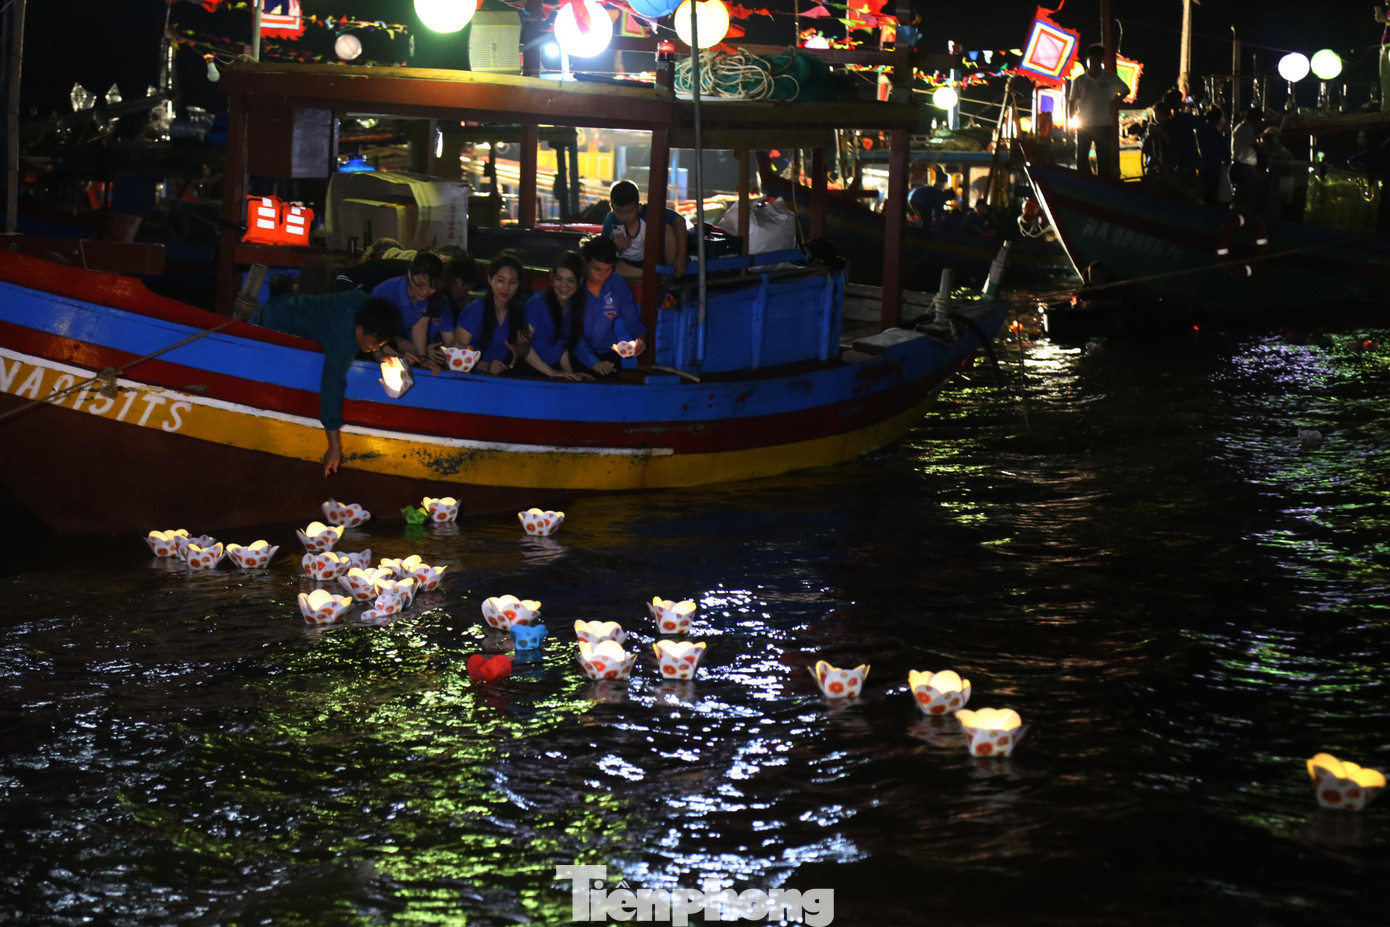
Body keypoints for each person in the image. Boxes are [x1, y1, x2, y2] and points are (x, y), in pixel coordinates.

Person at [237, 289, 400, 476]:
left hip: (287, 302)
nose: (374, 347)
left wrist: (378, 352)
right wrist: (333, 446)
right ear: (360, 329)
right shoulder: (343, 340)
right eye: (374, 343)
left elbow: (371, 337)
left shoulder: (363, 303)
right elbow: (332, 386)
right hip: (274, 326)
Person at [577, 234, 646, 377]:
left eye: (608, 269)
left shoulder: (617, 284)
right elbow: (570, 332)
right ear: (585, 263)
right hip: (575, 357)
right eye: (597, 270)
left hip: (608, 356)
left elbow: (631, 320)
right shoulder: (575, 285)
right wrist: (593, 362)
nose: (603, 275)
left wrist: (640, 338)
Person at [522, 252, 596, 381]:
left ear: (580, 281)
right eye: (559, 279)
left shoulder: (573, 306)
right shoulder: (537, 304)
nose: (564, 285)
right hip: (530, 372)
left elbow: (560, 346)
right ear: (551, 277)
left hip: (550, 370)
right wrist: (551, 372)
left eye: (571, 280)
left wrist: (571, 374)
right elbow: (523, 347)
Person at [370, 252, 448, 370]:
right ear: (410, 274)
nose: (425, 291)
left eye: (432, 287)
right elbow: (370, 332)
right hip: (371, 340)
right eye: (420, 284)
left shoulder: (428, 298)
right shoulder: (386, 292)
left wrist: (423, 359)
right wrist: (395, 357)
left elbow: (420, 327)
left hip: (393, 341)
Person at [455, 255, 530, 376]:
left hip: (501, 379)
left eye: (512, 282)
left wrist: (518, 351)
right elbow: (456, 355)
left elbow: (523, 346)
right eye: (500, 280)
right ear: (490, 279)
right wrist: (485, 366)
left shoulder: (519, 310)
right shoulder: (474, 310)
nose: (506, 288)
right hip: (471, 379)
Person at [601, 179, 689, 278]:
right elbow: (601, 253)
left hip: (654, 260)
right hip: (626, 266)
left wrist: (681, 256)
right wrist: (614, 246)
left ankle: (669, 274)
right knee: (608, 265)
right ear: (612, 207)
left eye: (629, 212)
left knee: (667, 228)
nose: (624, 217)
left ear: (639, 207)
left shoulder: (649, 212)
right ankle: (651, 275)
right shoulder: (611, 220)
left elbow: (680, 221)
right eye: (619, 212)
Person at [1068, 43, 1130, 178]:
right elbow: (1072, 103)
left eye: (1097, 59)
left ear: (1102, 60)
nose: (1094, 63)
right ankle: (1084, 186)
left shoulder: (1110, 77)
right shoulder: (1080, 80)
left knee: (1104, 160)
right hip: (1084, 125)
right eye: (1092, 60)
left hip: (1104, 124)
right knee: (1082, 160)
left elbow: (1126, 90)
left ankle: (1103, 187)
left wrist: (1116, 101)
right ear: (1087, 60)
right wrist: (1070, 124)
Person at [1230, 107, 1266, 208]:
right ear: (1255, 119)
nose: (1260, 123)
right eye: (1260, 120)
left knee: (1242, 196)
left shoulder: (1243, 127)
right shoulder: (1245, 129)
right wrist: (1268, 152)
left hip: (1241, 167)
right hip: (1242, 168)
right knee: (1245, 197)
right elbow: (1256, 147)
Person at [1195, 106, 1229, 205]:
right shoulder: (1216, 134)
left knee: (1203, 192)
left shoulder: (1200, 131)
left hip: (1201, 166)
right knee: (1212, 194)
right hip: (1213, 167)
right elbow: (1224, 150)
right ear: (1218, 119)